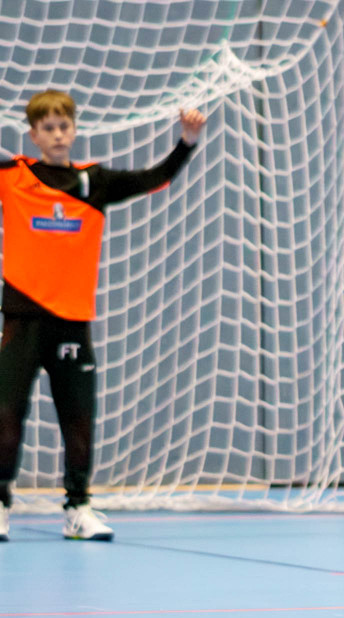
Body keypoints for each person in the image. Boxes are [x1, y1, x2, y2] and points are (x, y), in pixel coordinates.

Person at [0, 90, 206, 542]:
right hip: (21, 319)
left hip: (72, 321)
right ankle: (0, 503)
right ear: (33, 135)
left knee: (78, 419)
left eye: (64, 126)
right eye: (48, 128)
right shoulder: (11, 176)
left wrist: (186, 143)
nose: (58, 134)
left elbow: (155, 178)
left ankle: (78, 508)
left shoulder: (95, 182)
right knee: (6, 415)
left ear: (74, 130)